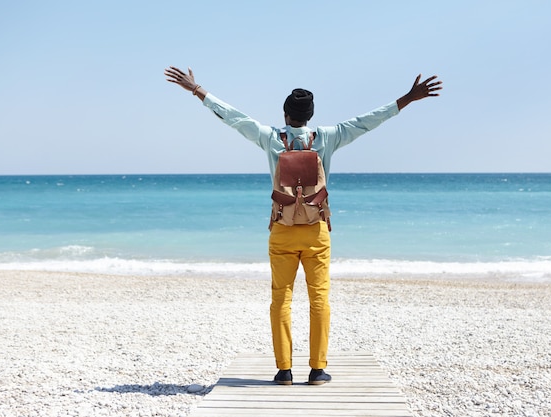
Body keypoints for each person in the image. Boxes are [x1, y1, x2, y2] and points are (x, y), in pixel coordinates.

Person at [164, 66, 442, 385]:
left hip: (282, 228)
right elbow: (369, 121)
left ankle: (284, 370)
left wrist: (198, 90)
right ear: (311, 115)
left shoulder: (270, 138)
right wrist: (408, 97)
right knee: (319, 298)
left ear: (285, 114)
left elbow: (234, 118)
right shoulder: (329, 136)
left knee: (281, 298)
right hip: (316, 230)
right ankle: (317, 369)